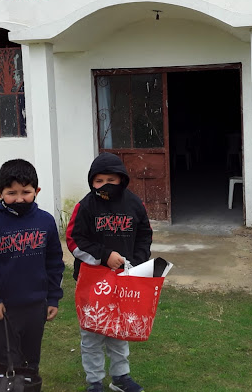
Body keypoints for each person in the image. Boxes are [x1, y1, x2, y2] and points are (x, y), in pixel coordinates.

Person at [0, 158, 65, 373]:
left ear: (37, 190)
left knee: (29, 364)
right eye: (11, 193)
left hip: (36, 307)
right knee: (2, 364)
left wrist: (53, 297)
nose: (19, 199)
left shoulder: (46, 221)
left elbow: (54, 262)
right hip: (2, 309)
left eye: (25, 192)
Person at [66, 152, 153, 392]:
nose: (105, 185)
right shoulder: (85, 205)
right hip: (92, 283)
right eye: (99, 181)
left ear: (122, 180)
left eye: (111, 180)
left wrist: (136, 262)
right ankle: (94, 381)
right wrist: (104, 256)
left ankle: (120, 377)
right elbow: (74, 240)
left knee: (119, 330)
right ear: (92, 182)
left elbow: (145, 235)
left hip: (125, 281)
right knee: (92, 333)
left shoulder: (134, 203)